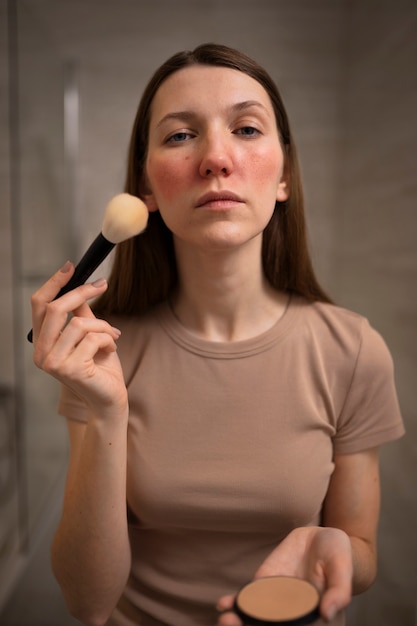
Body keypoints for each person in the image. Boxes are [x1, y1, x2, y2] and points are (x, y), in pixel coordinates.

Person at [30, 43, 404, 626]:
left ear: (284, 176)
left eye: (247, 128)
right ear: (145, 191)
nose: (216, 158)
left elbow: (362, 553)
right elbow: (87, 604)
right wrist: (106, 411)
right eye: (180, 136)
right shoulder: (102, 352)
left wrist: (339, 558)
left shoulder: (353, 352)